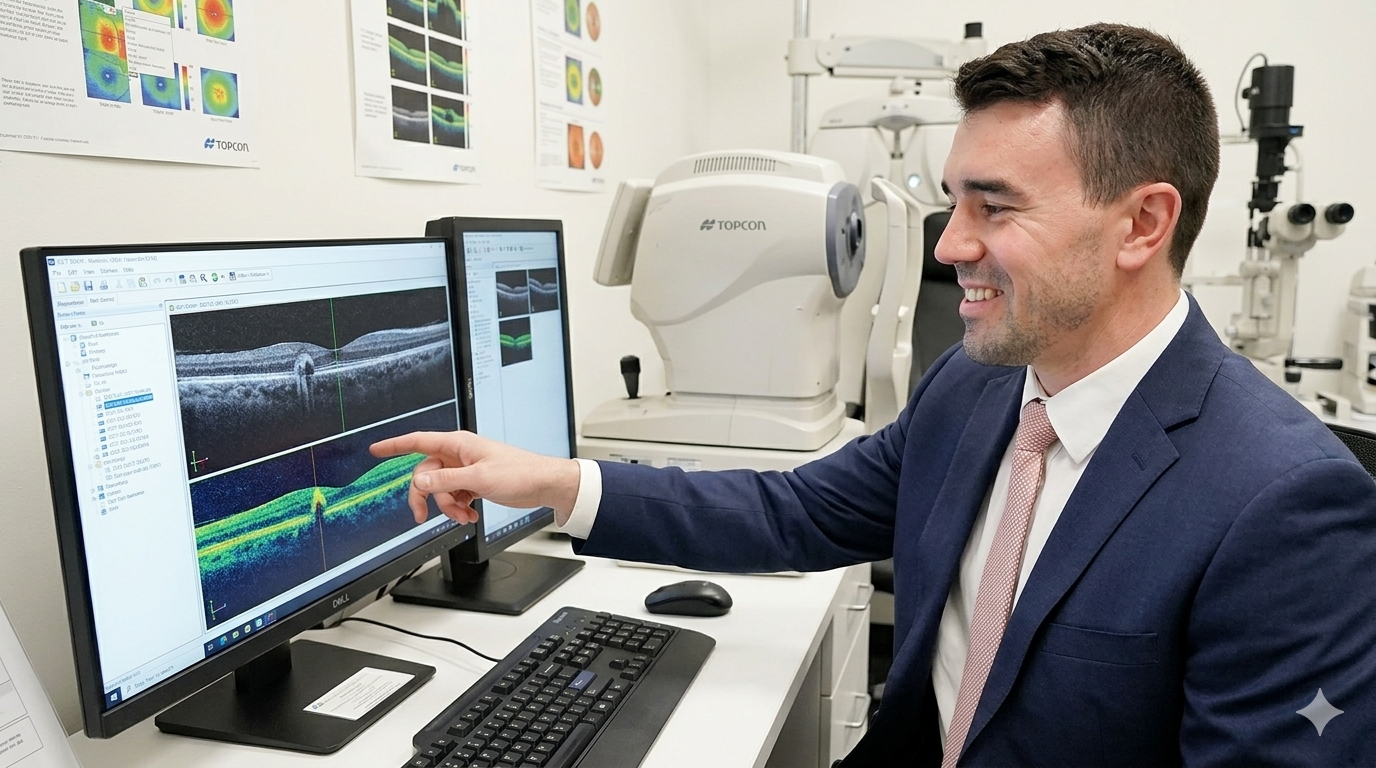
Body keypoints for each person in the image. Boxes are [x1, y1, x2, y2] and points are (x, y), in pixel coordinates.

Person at [373, 23, 1376, 766]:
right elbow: (797, 510)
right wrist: (558, 484)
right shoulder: (977, 389)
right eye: (952, 201)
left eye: (994, 206)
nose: (949, 246)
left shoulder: (1283, 507)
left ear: (1140, 225)